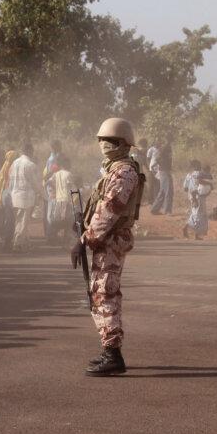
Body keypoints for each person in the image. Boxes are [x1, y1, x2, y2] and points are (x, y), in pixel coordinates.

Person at [72, 118, 144, 376]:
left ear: (124, 144)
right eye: (102, 140)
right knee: (100, 291)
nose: (104, 145)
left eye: (110, 141)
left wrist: (84, 240)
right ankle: (109, 349)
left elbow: (111, 209)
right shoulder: (114, 169)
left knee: (105, 293)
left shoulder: (123, 171)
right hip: (107, 239)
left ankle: (113, 353)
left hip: (111, 239)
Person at [8, 143, 38, 252]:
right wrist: (41, 194)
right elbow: (35, 183)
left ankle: (25, 243)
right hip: (26, 197)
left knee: (19, 221)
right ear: (30, 151)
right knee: (23, 222)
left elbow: (10, 180)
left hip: (15, 196)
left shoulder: (14, 163)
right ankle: (17, 243)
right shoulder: (30, 165)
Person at [46, 156, 76, 250]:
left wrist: (55, 190)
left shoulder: (56, 174)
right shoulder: (68, 174)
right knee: (68, 222)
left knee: (59, 220)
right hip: (66, 200)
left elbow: (48, 182)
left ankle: (55, 238)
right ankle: (65, 243)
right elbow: (71, 187)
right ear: (66, 164)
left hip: (58, 201)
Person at [181, 161, 211, 240]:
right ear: (198, 165)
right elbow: (200, 182)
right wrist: (209, 184)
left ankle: (194, 233)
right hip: (198, 196)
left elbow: (185, 188)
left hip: (191, 197)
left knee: (195, 214)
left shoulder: (188, 175)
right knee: (199, 215)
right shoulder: (199, 174)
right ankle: (189, 230)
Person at [150, 137, 174, 215]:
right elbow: (157, 159)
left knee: (163, 191)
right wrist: (160, 166)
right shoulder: (165, 147)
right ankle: (167, 210)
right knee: (168, 190)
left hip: (165, 171)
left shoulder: (168, 147)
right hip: (164, 171)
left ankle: (154, 209)